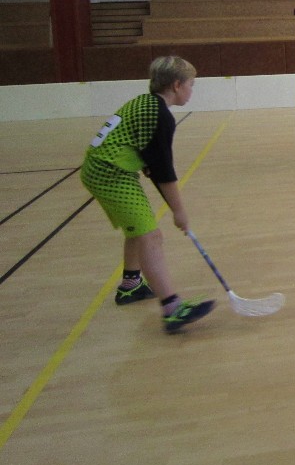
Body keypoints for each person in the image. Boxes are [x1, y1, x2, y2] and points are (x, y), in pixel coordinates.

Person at [80, 56, 216, 334]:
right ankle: (172, 309)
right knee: (151, 235)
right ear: (176, 85)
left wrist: (155, 175)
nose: (192, 90)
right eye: (191, 84)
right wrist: (179, 211)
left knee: (138, 227)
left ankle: (130, 286)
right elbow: (164, 170)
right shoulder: (160, 116)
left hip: (105, 168)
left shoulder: (146, 103)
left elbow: (152, 162)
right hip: (110, 173)